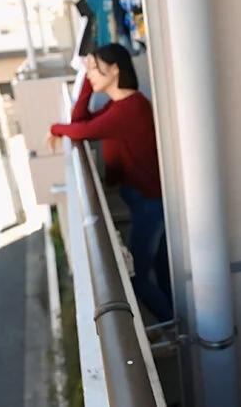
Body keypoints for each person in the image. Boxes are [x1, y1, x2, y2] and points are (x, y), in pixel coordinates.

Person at [48, 43, 173, 322]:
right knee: (161, 268)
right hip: (145, 200)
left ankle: (172, 328)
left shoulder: (129, 110)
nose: (89, 74)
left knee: (138, 276)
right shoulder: (119, 105)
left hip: (150, 204)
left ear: (114, 69)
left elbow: (82, 130)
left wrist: (54, 129)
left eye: (94, 69)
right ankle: (176, 323)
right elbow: (79, 119)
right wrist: (87, 83)